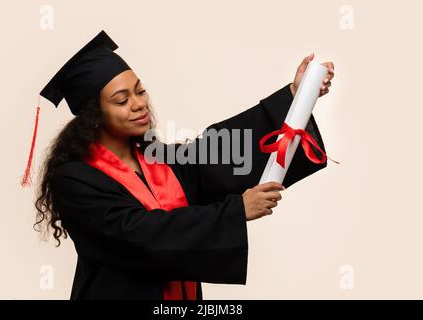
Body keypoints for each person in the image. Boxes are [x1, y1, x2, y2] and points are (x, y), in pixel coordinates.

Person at [23, 30, 334, 300]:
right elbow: (140, 235)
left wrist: (295, 98)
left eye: (140, 91)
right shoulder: (76, 179)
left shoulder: (160, 159)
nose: (139, 103)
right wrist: (236, 211)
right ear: (95, 115)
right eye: (121, 100)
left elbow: (217, 152)